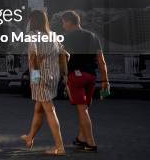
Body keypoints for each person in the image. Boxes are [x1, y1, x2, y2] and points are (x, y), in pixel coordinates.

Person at [21, 10, 68, 156]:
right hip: (53, 76)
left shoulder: (32, 35)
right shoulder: (53, 35)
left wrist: (34, 78)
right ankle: (30, 138)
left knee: (50, 110)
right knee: (39, 109)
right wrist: (64, 75)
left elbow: (33, 57)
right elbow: (65, 54)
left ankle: (60, 147)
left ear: (32, 21)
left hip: (40, 77)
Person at [61, 10, 109, 153]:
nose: (63, 25)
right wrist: (106, 80)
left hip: (76, 77)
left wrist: (64, 77)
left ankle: (91, 143)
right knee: (85, 109)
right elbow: (102, 61)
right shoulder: (93, 36)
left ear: (69, 22)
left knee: (82, 110)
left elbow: (63, 60)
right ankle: (81, 138)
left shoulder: (66, 38)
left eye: (63, 22)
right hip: (91, 76)